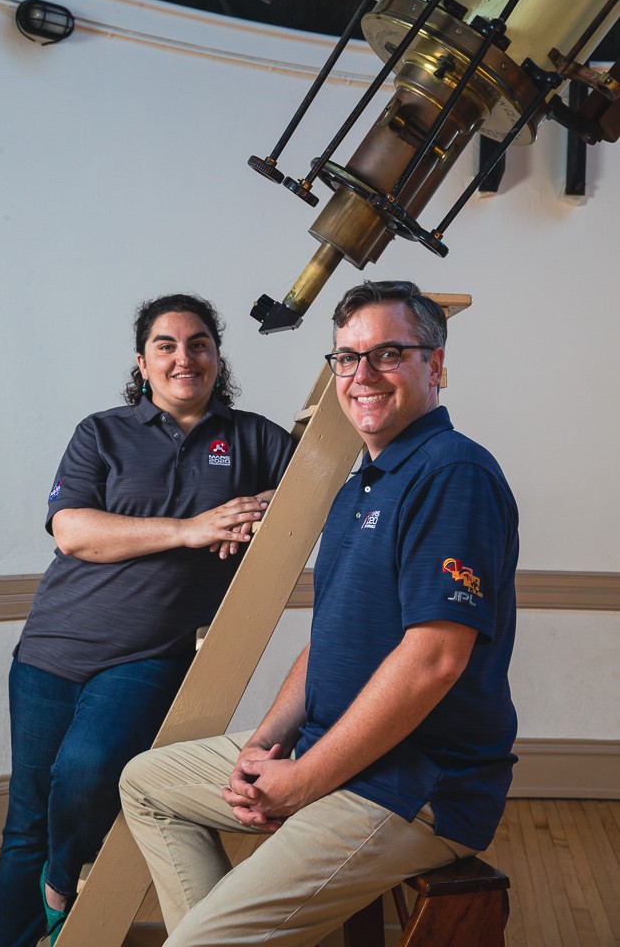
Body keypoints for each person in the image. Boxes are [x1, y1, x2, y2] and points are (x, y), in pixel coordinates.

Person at [119, 280, 519, 947]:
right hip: (331, 750)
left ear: (436, 366)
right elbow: (329, 638)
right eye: (346, 357)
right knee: (145, 782)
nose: (361, 375)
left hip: (412, 786)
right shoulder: (358, 485)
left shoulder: (452, 473)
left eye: (387, 353)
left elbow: (432, 662)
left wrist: (304, 781)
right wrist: (266, 742)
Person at [0, 293, 295, 947]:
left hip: (148, 654)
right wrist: (190, 530)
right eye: (166, 345)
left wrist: (255, 510)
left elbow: (324, 483)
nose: (183, 357)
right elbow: (73, 531)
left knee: (91, 768)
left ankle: (62, 877)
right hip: (49, 649)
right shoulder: (100, 432)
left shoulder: (251, 438)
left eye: (198, 344)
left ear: (217, 357)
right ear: (142, 361)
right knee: (24, 818)